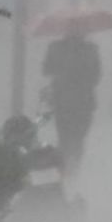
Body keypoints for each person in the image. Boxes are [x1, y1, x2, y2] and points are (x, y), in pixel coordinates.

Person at [42, 32, 100, 178]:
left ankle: (66, 170)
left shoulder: (55, 48)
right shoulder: (91, 50)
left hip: (65, 101)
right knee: (76, 138)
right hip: (80, 102)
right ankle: (72, 169)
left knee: (66, 138)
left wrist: (62, 71)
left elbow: (46, 70)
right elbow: (97, 75)